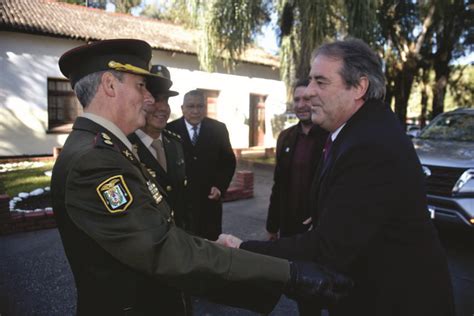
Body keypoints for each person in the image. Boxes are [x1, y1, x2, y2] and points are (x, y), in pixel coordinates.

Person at [51, 38, 353, 315]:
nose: (147, 98)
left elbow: (157, 233)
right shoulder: (95, 160)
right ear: (110, 85)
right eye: (141, 86)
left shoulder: (108, 148)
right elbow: (160, 249)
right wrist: (289, 274)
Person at [218, 38, 455, 316]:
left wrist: (241, 248)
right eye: (309, 81)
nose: (309, 91)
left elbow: (328, 249)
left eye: (321, 82)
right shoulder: (355, 131)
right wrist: (326, 211)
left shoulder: (370, 145)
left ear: (359, 87)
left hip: (394, 301)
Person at [127, 64, 192, 315]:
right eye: (154, 99)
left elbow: (184, 202)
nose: (162, 107)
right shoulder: (124, 148)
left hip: (180, 254)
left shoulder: (174, 144)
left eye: (166, 100)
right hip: (146, 264)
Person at [167, 90, 236, 241]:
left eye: (200, 106)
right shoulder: (168, 130)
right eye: (191, 106)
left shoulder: (219, 129)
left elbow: (228, 161)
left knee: (211, 246)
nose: (196, 111)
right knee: (183, 246)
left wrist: (220, 186)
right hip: (180, 204)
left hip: (209, 203)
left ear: (205, 108)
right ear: (182, 108)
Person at [266, 78, 328, 241]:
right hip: (288, 225)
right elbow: (278, 184)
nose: (300, 105)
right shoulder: (285, 137)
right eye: (296, 99)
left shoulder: (330, 137)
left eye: (307, 99)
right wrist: (272, 226)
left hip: (318, 226)